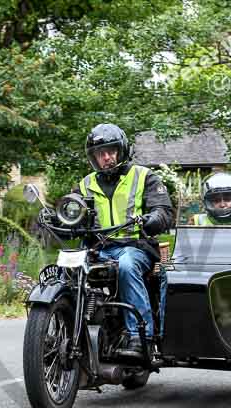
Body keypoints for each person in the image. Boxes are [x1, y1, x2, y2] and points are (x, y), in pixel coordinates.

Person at [76, 123, 174, 358]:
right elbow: (72, 211)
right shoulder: (85, 184)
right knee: (67, 271)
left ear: (121, 151)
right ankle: (69, 329)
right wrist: (56, 215)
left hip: (135, 247)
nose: (106, 157)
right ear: (94, 158)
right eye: (100, 154)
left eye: (111, 151)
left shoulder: (144, 177)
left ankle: (140, 337)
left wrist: (153, 218)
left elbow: (164, 211)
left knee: (127, 266)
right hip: (98, 249)